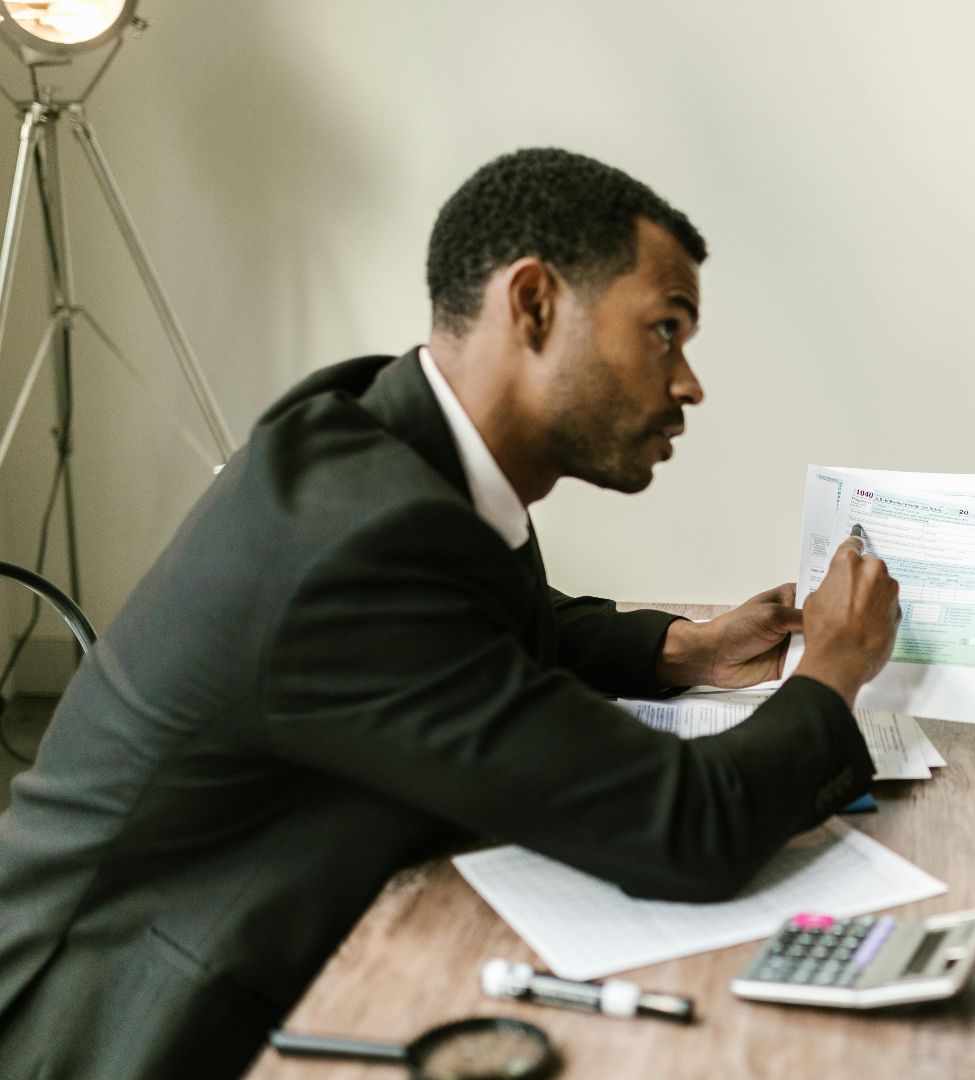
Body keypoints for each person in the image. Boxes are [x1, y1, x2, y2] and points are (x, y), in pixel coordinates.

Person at [0, 148, 902, 1079]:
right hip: (111, 1028)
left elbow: (465, 614)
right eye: (666, 331)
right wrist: (835, 667)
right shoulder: (359, 549)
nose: (689, 383)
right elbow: (687, 828)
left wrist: (680, 650)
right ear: (535, 304)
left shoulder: (374, 431)